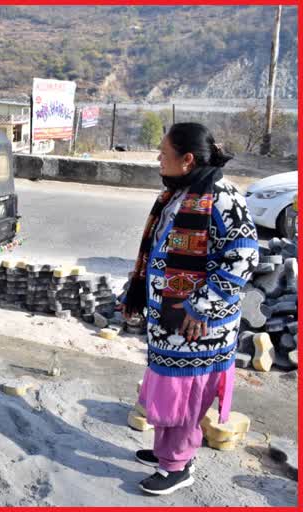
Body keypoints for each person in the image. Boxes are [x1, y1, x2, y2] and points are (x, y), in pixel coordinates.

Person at [122, 123, 259, 496]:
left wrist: (200, 308)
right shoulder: (179, 193)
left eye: (163, 154)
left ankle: (177, 466)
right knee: (168, 389)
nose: (157, 160)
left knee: (184, 393)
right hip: (171, 322)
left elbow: (242, 258)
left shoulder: (222, 197)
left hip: (196, 326)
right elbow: (159, 250)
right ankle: (170, 451)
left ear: (187, 159)